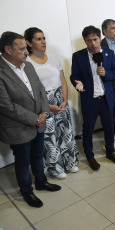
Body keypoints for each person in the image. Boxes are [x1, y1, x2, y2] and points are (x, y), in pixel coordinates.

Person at [0, 32, 61, 208]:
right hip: (17, 127)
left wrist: (43, 111)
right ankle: (27, 191)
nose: (26, 52)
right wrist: (35, 118)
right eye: (21, 49)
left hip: (38, 122)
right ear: (8, 50)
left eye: (26, 48)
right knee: (23, 162)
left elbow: (40, 90)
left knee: (37, 155)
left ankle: (41, 182)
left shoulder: (27, 66)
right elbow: (6, 105)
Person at [24, 27, 79, 180]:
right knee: (50, 137)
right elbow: (31, 90)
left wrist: (64, 101)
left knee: (65, 133)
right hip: (43, 104)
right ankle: (55, 168)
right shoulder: (27, 63)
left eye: (44, 38)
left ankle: (70, 162)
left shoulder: (54, 58)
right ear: (28, 42)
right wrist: (48, 106)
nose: (43, 42)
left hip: (60, 101)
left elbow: (62, 80)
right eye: (38, 39)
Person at [70, 26, 115, 171]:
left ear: (100, 38)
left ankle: (110, 152)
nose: (93, 43)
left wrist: (106, 73)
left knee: (109, 127)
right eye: (89, 40)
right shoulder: (78, 56)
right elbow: (74, 76)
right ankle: (90, 156)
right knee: (88, 129)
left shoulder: (108, 53)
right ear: (85, 41)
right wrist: (77, 83)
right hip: (90, 99)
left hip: (106, 99)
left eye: (95, 39)